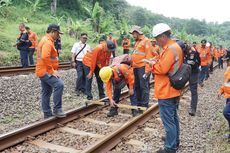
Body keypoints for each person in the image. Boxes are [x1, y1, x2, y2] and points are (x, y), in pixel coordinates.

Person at [151, 23, 183, 153]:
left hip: (166, 90)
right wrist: (157, 61)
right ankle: (175, 141)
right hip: (173, 89)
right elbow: (167, 65)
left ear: (163, 36)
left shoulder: (170, 49)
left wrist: (152, 65)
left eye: (157, 39)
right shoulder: (174, 47)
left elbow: (163, 69)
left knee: (168, 121)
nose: (156, 42)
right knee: (174, 118)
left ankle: (170, 148)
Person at [35, 24, 66, 119]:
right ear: (53, 32)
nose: (58, 36)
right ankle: (57, 109)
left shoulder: (46, 40)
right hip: (45, 71)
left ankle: (47, 113)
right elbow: (45, 57)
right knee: (59, 84)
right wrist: (51, 71)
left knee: (46, 91)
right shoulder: (48, 42)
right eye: (57, 33)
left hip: (41, 70)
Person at [129, 25, 153, 116]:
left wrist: (147, 70)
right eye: (132, 34)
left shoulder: (146, 41)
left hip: (143, 68)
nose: (133, 35)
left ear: (138, 33)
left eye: (134, 33)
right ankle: (139, 103)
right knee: (137, 86)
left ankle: (144, 105)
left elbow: (149, 56)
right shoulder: (137, 42)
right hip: (136, 67)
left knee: (144, 86)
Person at [185, 45, 201, 116]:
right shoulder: (180, 51)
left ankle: (193, 109)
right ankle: (175, 106)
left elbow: (198, 62)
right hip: (184, 72)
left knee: (193, 90)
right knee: (177, 87)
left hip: (193, 72)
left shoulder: (194, 53)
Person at [218, 50, 230, 143]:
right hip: (227, 95)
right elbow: (226, 83)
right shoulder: (228, 69)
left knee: (226, 112)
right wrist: (221, 91)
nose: (226, 62)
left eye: (228, 60)